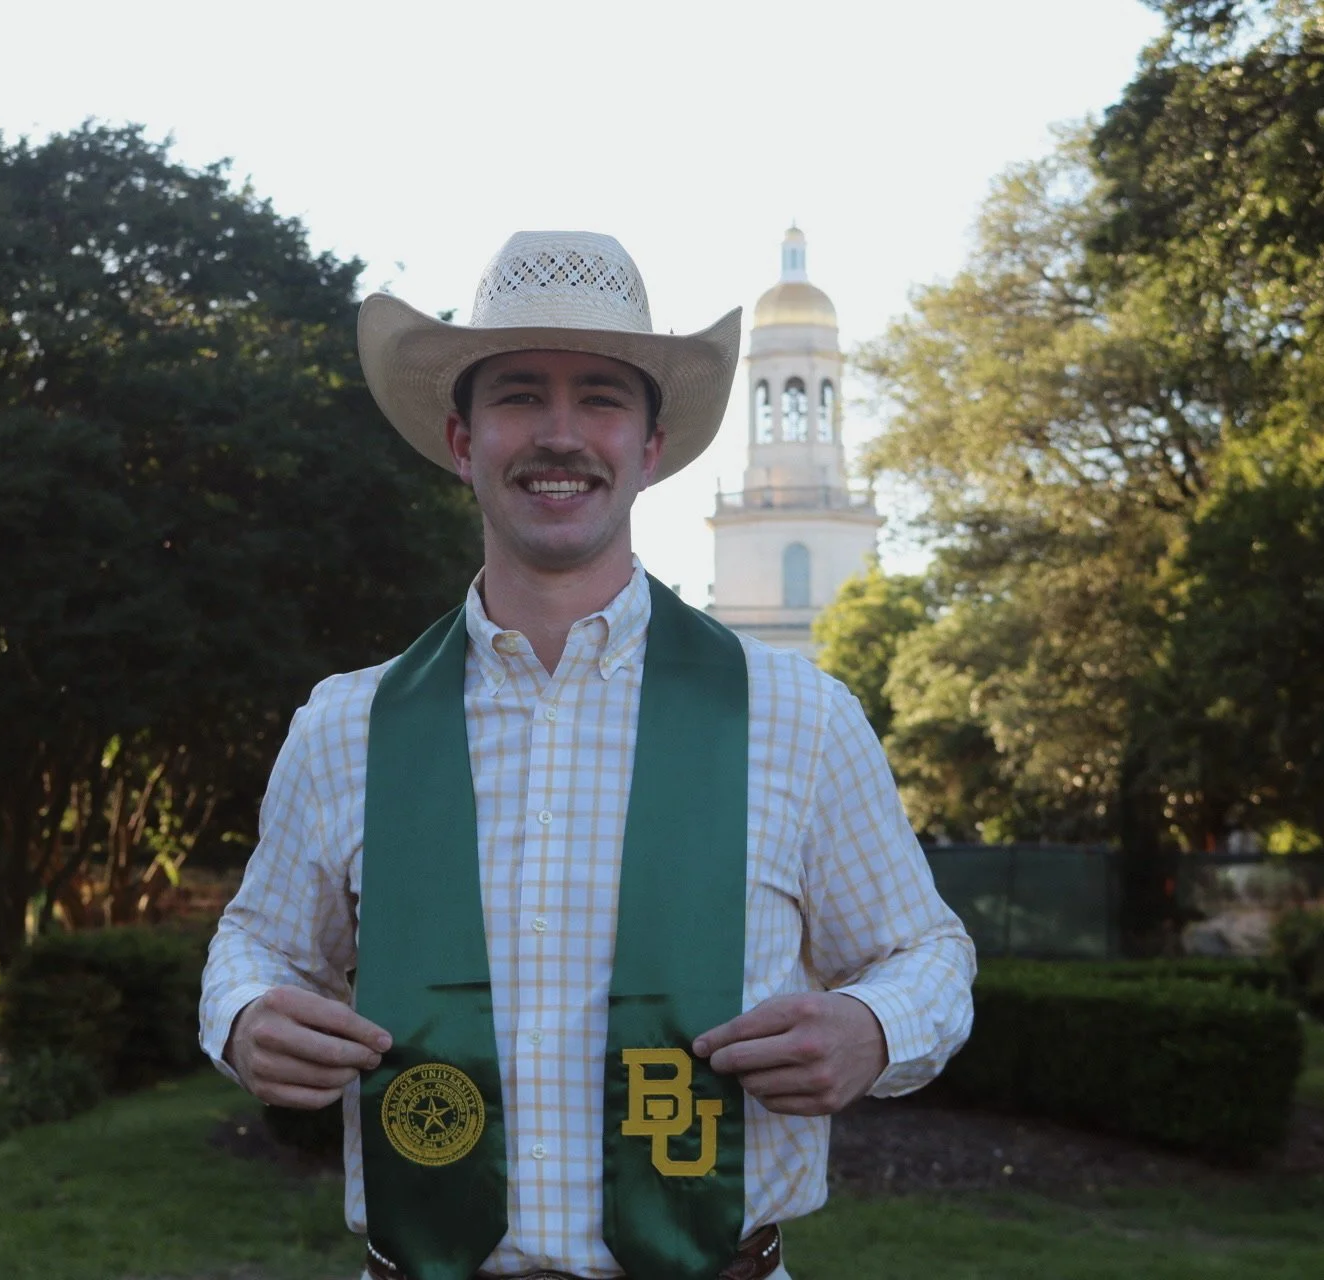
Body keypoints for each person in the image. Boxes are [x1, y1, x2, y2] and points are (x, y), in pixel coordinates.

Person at [200, 230, 975, 1280]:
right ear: (462, 437)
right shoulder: (349, 727)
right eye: (520, 394)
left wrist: (873, 1025)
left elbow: (927, 951)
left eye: (602, 398)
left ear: (650, 445)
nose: (559, 434)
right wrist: (246, 1012)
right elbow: (259, 941)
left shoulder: (799, 716)